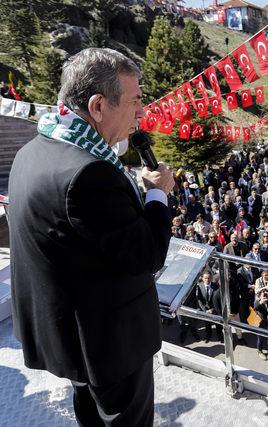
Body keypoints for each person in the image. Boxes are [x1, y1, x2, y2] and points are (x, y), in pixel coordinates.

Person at [8, 48, 174, 426]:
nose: (141, 112)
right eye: (134, 101)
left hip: (70, 340)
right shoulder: (89, 175)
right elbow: (147, 253)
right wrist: (157, 194)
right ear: (98, 105)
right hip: (108, 345)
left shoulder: (34, 151)